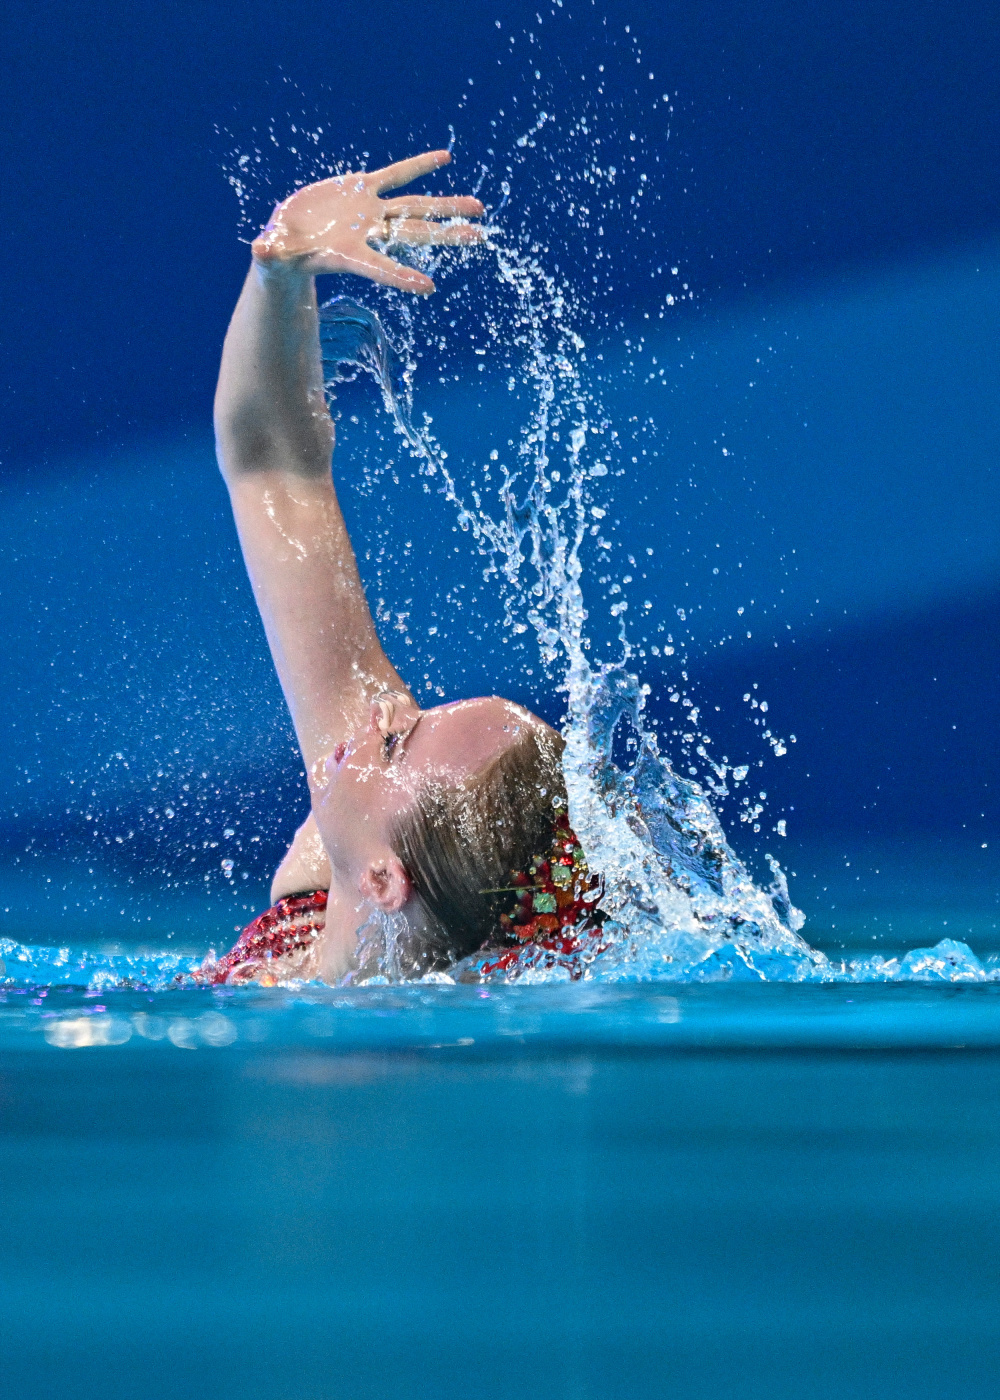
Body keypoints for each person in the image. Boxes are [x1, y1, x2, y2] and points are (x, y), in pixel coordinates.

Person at [201, 150, 600, 986]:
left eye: (395, 740)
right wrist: (278, 272)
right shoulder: (347, 841)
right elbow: (277, 468)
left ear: (383, 879)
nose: (379, 713)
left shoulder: (306, 1061)